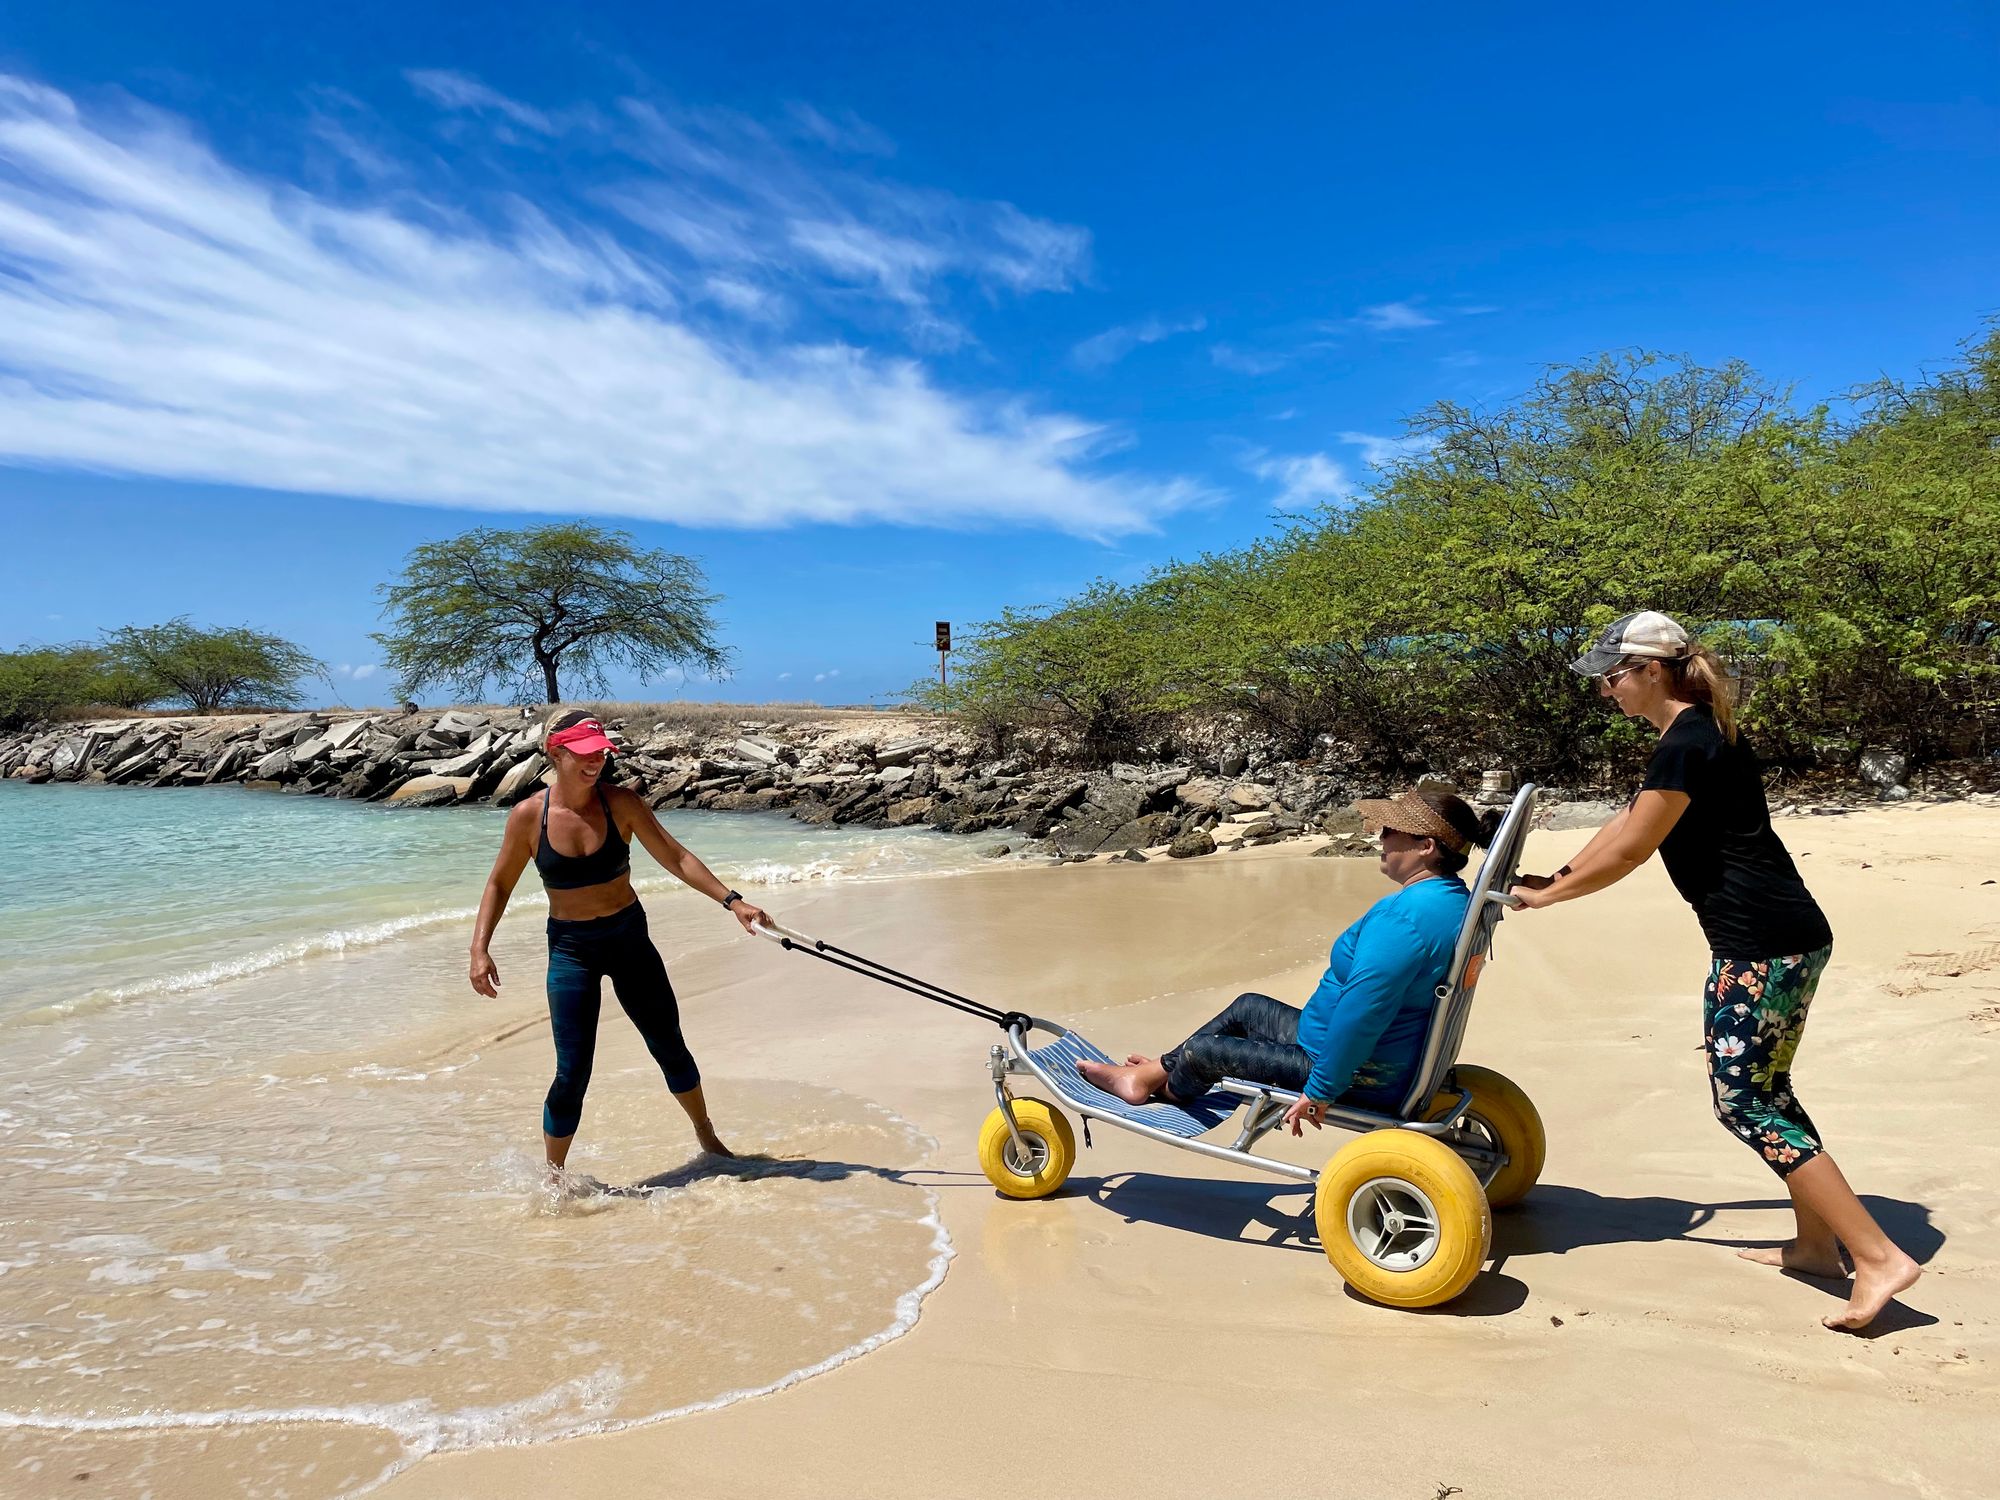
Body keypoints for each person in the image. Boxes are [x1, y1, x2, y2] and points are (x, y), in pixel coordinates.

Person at [1508, 610, 1920, 1330]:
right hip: (1783, 935)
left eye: (1613, 677)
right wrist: (1554, 875)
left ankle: (1879, 1257)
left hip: (1762, 945)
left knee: (1743, 1102)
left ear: (1652, 671)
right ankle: (1818, 1245)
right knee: (1770, 1091)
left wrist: (1549, 897)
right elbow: (1625, 823)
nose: (1607, 692)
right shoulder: (1694, 734)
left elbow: (1634, 849)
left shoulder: (1688, 742)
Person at [1077, 789, 1500, 1136]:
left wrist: (1320, 1090)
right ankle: (1150, 1073)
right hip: (1367, 1051)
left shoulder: (1403, 920)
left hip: (1355, 1071)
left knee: (1205, 1053)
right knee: (1248, 1006)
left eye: (1391, 830)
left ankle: (1166, 1089)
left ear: (1426, 847)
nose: (1380, 837)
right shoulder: (1452, 902)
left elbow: (1363, 1013)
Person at [468, 709, 770, 1174]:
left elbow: (675, 855)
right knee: (572, 1072)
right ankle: (555, 1179)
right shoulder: (529, 817)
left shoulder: (621, 803)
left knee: (668, 1044)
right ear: (556, 752)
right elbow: (499, 884)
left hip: (628, 939)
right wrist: (479, 949)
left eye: (601, 755)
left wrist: (733, 901)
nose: (596, 764)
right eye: (585, 755)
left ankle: (707, 1136)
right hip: (571, 950)